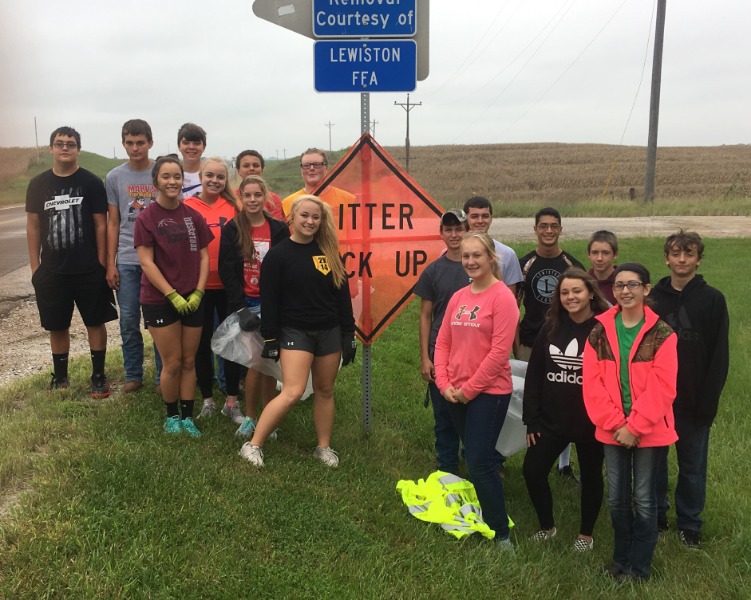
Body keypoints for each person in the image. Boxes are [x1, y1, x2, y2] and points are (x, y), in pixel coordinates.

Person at [239, 195, 355, 467]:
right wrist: (270, 336)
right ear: (291, 218)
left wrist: (348, 335)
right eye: (304, 215)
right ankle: (253, 444)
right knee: (292, 391)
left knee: (325, 390)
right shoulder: (278, 256)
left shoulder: (328, 252)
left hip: (329, 331)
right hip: (295, 332)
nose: (310, 221)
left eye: (316, 217)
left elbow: (342, 296)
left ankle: (323, 448)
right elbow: (270, 299)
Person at [583, 262, 678, 582]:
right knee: (616, 499)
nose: (625, 291)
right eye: (620, 285)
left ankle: (639, 567)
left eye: (633, 285)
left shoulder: (662, 334)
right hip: (612, 430)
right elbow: (592, 384)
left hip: (649, 431)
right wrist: (615, 423)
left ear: (646, 289)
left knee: (644, 499)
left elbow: (663, 387)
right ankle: (621, 559)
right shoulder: (598, 332)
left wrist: (635, 426)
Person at [434, 233, 520, 552]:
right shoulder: (459, 297)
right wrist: (444, 384)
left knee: (479, 461)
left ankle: (501, 534)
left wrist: (469, 390)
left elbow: (499, 354)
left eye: (477, 256)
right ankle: (483, 509)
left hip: (489, 391)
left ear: (491, 258)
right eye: (466, 256)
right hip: (455, 391)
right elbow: (443, 342)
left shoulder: (502, 298)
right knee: (473, 455)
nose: (470, 261)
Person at [26, 126, 117, 397]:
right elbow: (32, 226)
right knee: (57, 325)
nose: (64, 147)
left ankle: (99, 375)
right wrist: (35, 268)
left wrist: (101, 262)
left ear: (78, 149)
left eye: (70, 143)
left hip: (89, 267)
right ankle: (61, 376)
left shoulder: (90, 182)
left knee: (95, 322)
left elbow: (101, 224)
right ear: (51, 148)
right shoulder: (38, 184)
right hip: (53, 270)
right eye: (59, 143)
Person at [652, 231, 729, 549]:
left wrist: (707, 403)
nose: (682, 259)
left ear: (699, 258)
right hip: (656, 402)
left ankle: (689, 524)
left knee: (692, 467)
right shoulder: (653, 297)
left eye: (689, 253)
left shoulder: (712, 299)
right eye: (676, 253)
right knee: (653, 465)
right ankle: (656, 515)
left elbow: (719, 356)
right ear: (666, 258)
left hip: (694, 402)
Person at [522, 269, 609, 551]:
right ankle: (547, 527)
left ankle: (585, 535)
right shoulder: (551, 326)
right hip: (551, 420)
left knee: (592, 477)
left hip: (591, 422)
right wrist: (531, 419)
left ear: (591, 293)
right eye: (564, 292)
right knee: (532, 470)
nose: (570, 297)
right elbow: (534, 374)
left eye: (577, 291)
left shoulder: (603, 329)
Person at [134, 155, 212, 436]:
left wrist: (200, 291)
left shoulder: (193, 215)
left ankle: (188, 416)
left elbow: (204, 257)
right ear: (156, 181)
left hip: (193, 297)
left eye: (177, 176)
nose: (172, 182)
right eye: (166, 176)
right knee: (173, 362)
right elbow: (146, 262)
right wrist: (172, 295)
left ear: (183, 180)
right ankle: (171, 416)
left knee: (189, 360)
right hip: (159, 300)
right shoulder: (146, 217)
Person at [219, 175, 290, 438]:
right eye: (247, 195)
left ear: (266, 197)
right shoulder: (233, 228)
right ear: (241, 197)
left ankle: (268, 417)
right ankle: (250, 417)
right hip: (246, 304)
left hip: (271, 303)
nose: (252, 200)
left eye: (257, 195)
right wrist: (240, 308)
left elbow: (285, 268)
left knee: (270, 361)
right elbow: (226, 270)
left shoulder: (279, 229)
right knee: (253, 362)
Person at [517, 207, 584, 482]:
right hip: (529, 342)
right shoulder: (524, 264)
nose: (548, 231)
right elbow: (513, 306)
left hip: (563, 347)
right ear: (535, 229)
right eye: (543, 226)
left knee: (562, 400)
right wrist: (515, 344)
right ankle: (526, 454)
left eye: (553, 226)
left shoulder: (571, 265)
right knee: (526, 399)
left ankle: (564, 465)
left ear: (560, 229)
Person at [183, 158, 244, 424]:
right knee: (201, 345)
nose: (215, 181)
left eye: (220, 177)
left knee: (231, 344)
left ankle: (232, 401)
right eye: (209, 175)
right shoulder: (187, 206)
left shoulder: (234, 207)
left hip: (229, 287)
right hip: (199, 286)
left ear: (226, 179)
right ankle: (207, 399)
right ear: (201, 176)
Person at [105, 119, 162, 393]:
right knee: (129, 319)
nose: (135, 148)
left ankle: (164, 376)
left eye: (140, 142)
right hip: (127, 259)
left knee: (161, 321)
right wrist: (110, 263)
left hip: (159, 260)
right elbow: (113, 222)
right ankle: (133, 374)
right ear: (123, 143)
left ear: (150, 142)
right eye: (130, 143)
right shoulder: (115, 177)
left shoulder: (161, 172)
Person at [414, 209, 471, 475]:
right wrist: (426, 357)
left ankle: (476, 462)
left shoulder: (478, 268)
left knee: (474, 414)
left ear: (466, 230)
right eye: (448, 230)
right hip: (441, 352)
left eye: (458, 228)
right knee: (444, 416)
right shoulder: (433, 271)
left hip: (473, 353)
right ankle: (447, 468)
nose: (454, 234)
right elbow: (426, 315)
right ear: (441, 234)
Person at [462, 196, 523, 294]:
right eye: (474, 216)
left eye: (485, 216)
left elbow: (511, 297)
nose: (480, 221)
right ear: (466, 219)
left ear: (491, 218)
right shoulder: (453, 252)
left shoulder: (507, 254)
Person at [281, 148, 355, 220]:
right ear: (301, 170)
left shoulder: (348, 200)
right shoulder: (287, 204)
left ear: (326, 168)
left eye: (317, 164)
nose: (311, 168)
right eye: (306, 165)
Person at [233, 150, 284, 219]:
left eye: (256, 165)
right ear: (238, 170)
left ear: (262, 169)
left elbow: (277, 226)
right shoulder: (232, 198)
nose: (251, 168)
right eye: (246, 166)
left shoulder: (273, 199)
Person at [587, 230, 618, 305]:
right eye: (595, 252)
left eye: (605, 253)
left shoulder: (622, 283)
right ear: (589, 254)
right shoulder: (584, 282)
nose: (599, 258)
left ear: (615, 255)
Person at [177, 123, 206, 198]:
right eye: (186, 143)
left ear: (204, 147)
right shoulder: (171, 176)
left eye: (196, 143)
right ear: (179, 146)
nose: (191, 147)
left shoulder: (211, 176)